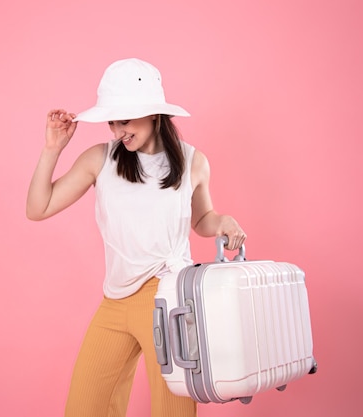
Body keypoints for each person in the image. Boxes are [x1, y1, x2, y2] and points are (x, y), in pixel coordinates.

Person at [26, 58, 246, 417]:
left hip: (170, 299)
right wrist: (53, 149)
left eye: (124, 120)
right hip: (115, 300)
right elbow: (38, 207)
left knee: (172, 411)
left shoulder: (193, 162)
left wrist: (223, 220)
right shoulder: (101, 159)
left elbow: (202, 218)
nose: (116, 131)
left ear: (154, 114)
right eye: (112, 121)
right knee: (84, 407)